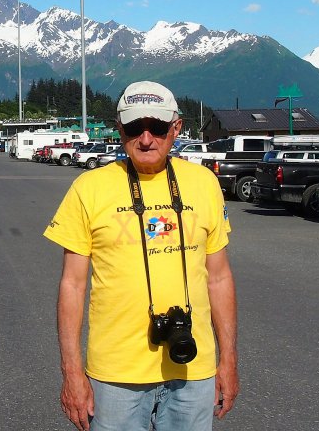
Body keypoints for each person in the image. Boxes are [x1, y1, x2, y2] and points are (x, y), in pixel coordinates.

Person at [45, 80, 238, 431]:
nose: (146, 139)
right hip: (115, 375)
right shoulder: (88, 188)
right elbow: (72, 285)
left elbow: (220, 277)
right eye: (135, 127)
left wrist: (228, 360)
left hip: (193, 367)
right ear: (120, 129)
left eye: (157, 127)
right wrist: (71, 372)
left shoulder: (204, 183)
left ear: (176, 128)